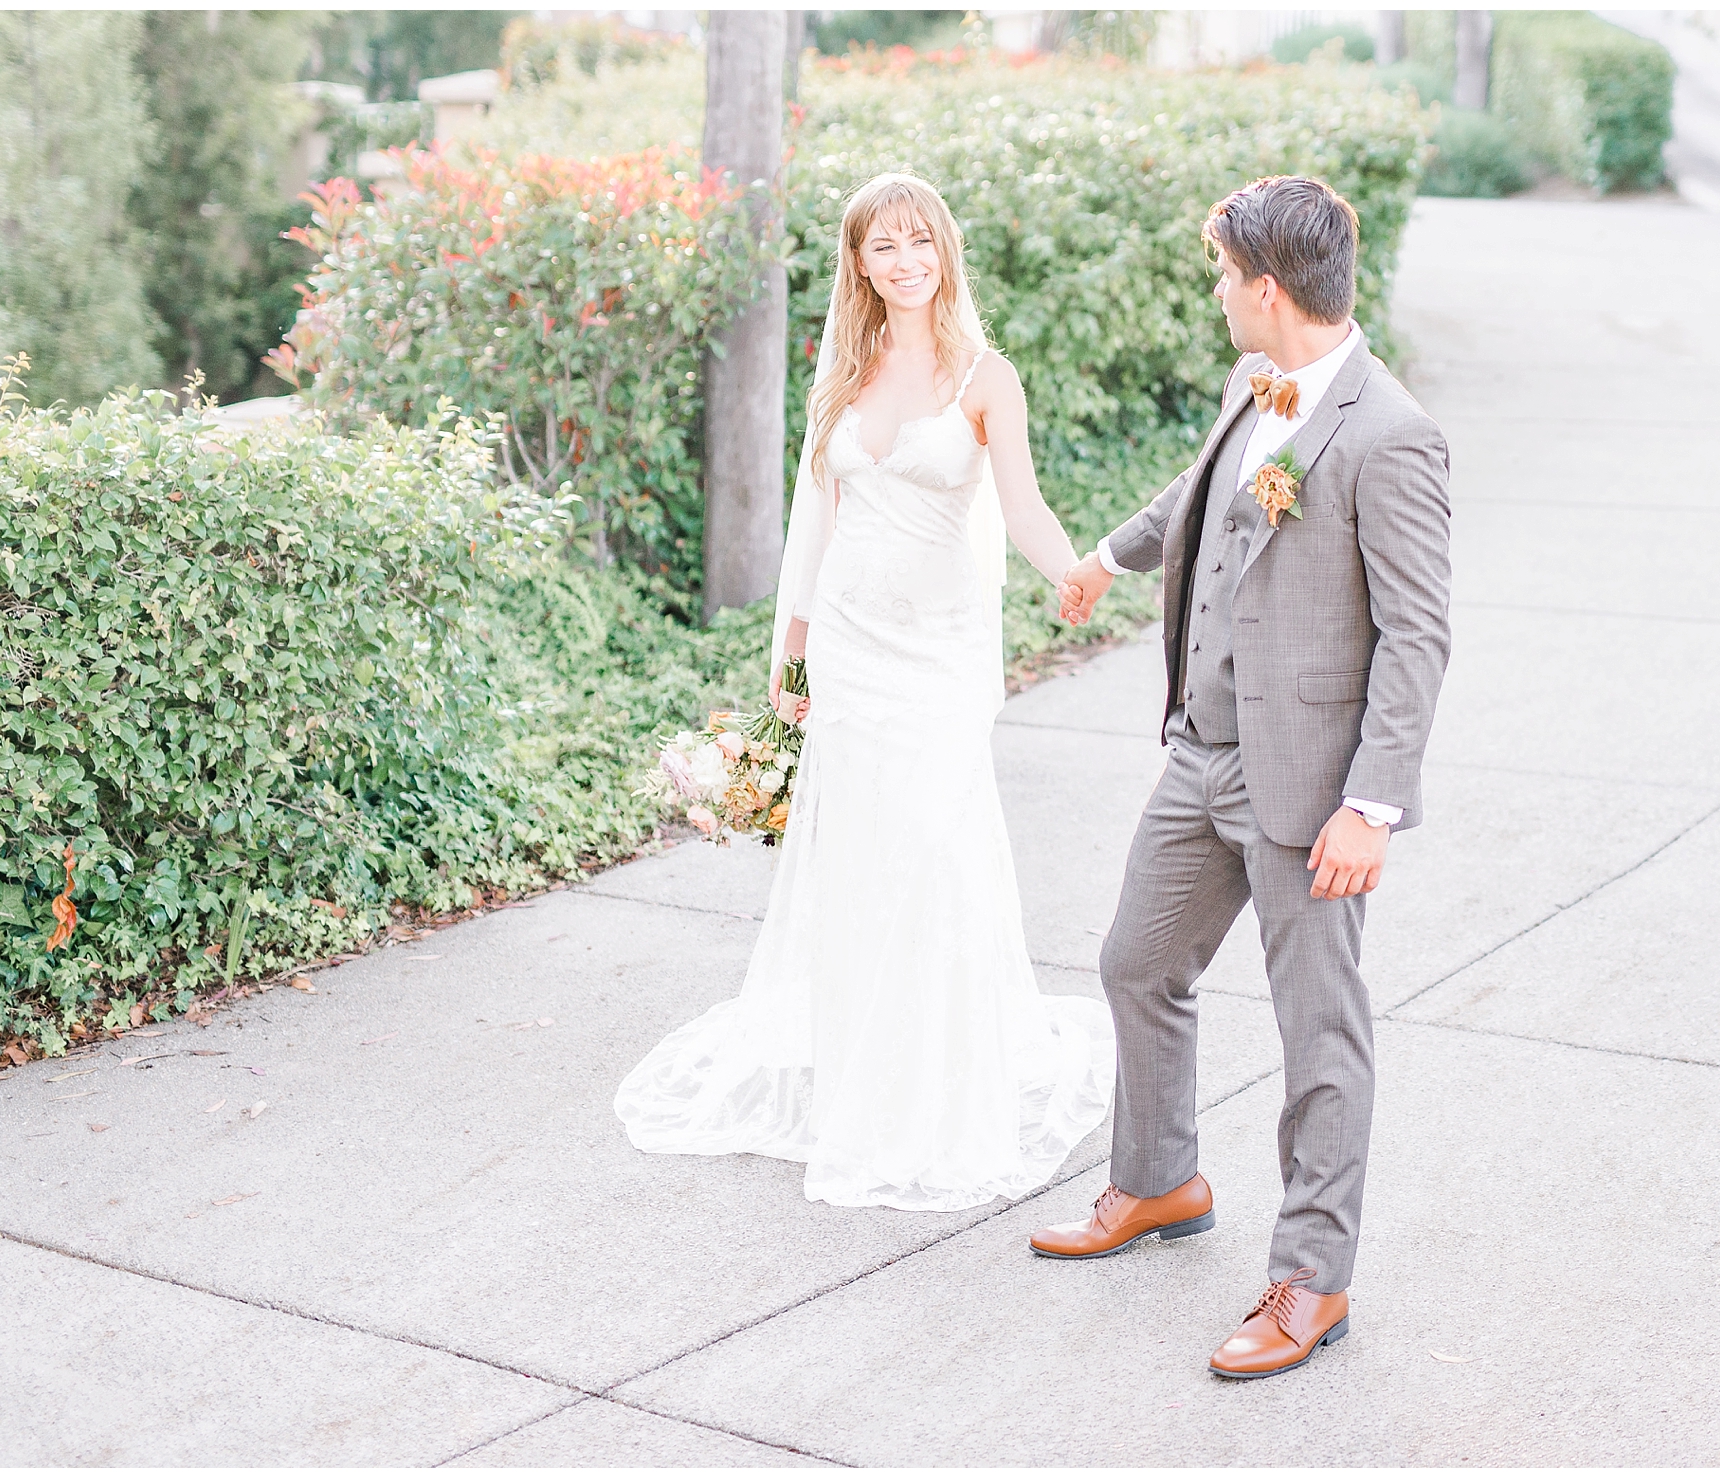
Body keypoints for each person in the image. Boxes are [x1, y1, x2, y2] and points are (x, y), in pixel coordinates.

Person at [614, 173, 1115, 1212]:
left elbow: (1020, 505)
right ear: (859, 263)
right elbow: (816, 526)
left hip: (936, 654)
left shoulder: (986, 377)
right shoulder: (839, 377)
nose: (904, 261)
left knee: (936, 848)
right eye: (883, 246)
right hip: (848, 644)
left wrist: (1072, 569)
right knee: (860, 858)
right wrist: (790, 665)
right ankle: (860, 1067)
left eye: (919, 241)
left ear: (944, 253)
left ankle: (938, 1071)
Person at [1044, 175, 1453, 1378]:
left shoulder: (1392, 434)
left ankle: (1309, 1280)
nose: (1217, 292)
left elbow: (1419, 634)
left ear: (1268, 291)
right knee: (1136, 961)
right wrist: (1106, 558)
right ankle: (1161, 1177)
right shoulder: (1250, 382)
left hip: (1309, 790)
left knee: (1317, 1031)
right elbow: (1206, 490)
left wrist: (1371, 804)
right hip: (1200, 752)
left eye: (1225, 276)